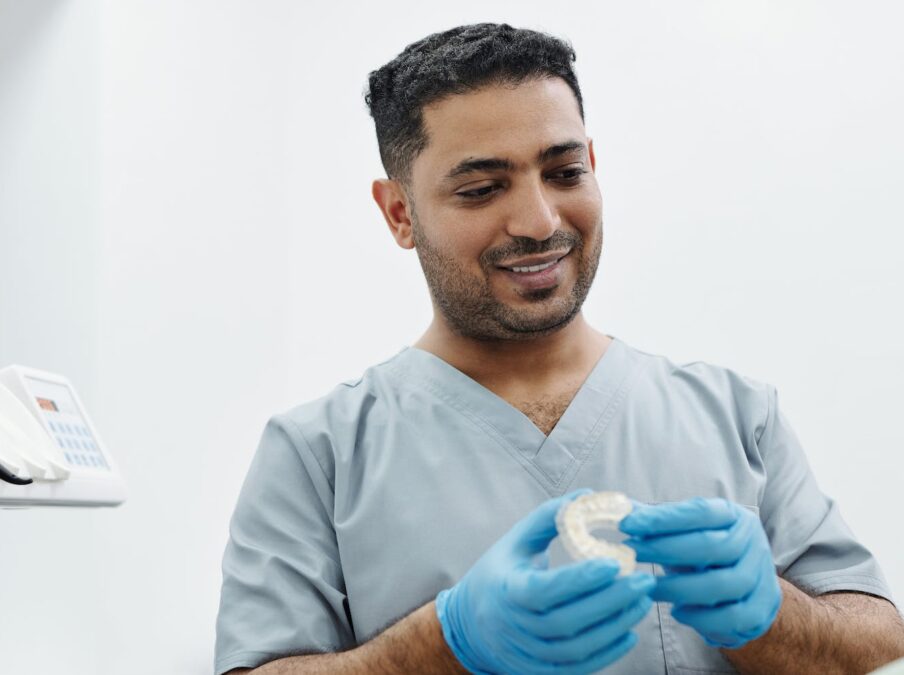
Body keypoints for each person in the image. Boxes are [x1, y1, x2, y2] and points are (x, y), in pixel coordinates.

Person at [214, 23, 904, 674]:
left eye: (565, 172)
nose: (540, 220)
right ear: (400, 212)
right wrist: (445, 640)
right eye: (482, 188)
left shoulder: (735, 414)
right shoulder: (318, 456)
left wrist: (774, 617)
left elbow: (878, 637)